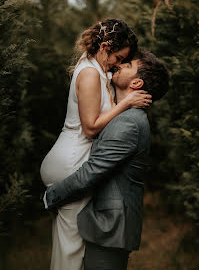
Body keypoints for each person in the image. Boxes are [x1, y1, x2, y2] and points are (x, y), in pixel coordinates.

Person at [40, 19, 152, 270]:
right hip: (72, 159)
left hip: (76, 155)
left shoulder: (98, 70)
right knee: (70, 248)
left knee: (72, 244)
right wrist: (126, 103)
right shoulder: (90, 73)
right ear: (104, 47)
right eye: (119, 57)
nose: (119, 64)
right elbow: (90, 126)